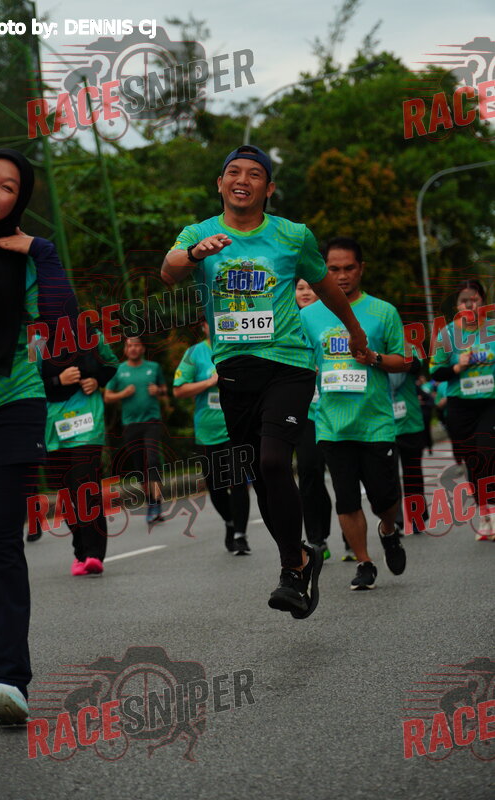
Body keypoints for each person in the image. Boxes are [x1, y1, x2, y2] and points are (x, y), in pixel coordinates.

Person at [161, 144, 368, 619]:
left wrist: (354, 330)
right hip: (234, 370)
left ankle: (291, 568)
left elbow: (325, 285)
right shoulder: (199, 232)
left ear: (268, 188)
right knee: (258, 472)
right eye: (233, 172)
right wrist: (194, 253)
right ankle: (302, 558)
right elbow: (169, 271)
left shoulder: (293, 235)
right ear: (220, 184)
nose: (243, 180)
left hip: (288, 363)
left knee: (275, 460)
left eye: (254, 174)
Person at [0, 149, 77, 725]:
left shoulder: (23, 256)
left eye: (8, 187)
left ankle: (9, 677)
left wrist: (41, 251)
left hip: (5, 409)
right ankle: (6, 653)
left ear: (17, 205)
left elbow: (62, 322)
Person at [301, 236, 407, 590]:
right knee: (346, 499)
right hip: (331, 423)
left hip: (375, 422)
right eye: (333, 269)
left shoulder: (383, 312)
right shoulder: (308, 316)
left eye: (349, 268)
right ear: (323, 271)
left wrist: (373, 357)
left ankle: (388, 530)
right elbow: (299, 360)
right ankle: (364, 562)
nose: (342, 276)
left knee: (384, 499)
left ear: (361, 268)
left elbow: (403, 360)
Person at [31, 325, 118, 575]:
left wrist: (97, 380)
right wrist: (57, 380)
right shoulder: (36, 341)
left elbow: (111, 364)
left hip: (87, 422)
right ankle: (80, 552)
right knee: (67, 494)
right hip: (53, 428)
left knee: (86, 487)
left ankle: (94, 554)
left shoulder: (91, 335)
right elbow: (27, 384)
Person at [173, 319, 251, 554]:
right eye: (210, 322)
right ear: (204, 326)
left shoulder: (238, 347)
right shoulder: (194, 353)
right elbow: (179, 389)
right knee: (215, 486)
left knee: (238, 481)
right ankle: (230, 521)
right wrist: (210, 381)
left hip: (236, 428)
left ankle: (240, 535)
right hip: (208, 432)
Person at [429, 278, 495, 541]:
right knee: (472, 461)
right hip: (461, 407)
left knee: (487, 453)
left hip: (490, 403)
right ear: (457, 305)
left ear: (483, 302)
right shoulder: (446, 334)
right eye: (464, 301)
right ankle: (484, 514)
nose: (470, 305)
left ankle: (493, 512)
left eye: (475, 299)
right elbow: (435, 372)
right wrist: (457, 366)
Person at [104, 337, 168, 524]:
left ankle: (156, 504)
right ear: (125, 350)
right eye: (129, 345)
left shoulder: (153, 367)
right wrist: (123, 394)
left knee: (153, 460)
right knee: (140, 466)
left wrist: (159, 391)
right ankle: (150, 502)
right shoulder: (119, 370)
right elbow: (107, 396)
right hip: (131, 424)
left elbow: (165, 389)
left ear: (142, 348)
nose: (133, 348)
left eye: (136, 345)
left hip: (151, 422)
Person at [294, 279, 332, 558]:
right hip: (304, 410)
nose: (306, 292)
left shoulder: (332, 318)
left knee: (341, 473)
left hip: (335, 408)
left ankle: (351, 536)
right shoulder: (288, 321)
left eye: (311, 287)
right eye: (300, 288)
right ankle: (317, 539)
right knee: (309, 471)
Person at [389, 353, 429, 535]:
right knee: (387, 476)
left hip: (410, 422)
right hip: (383, 425)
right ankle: (394, 521)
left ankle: (417, 516)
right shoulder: (371, 349)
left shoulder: (406, 348)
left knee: (412, 474)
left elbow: (416, 365)